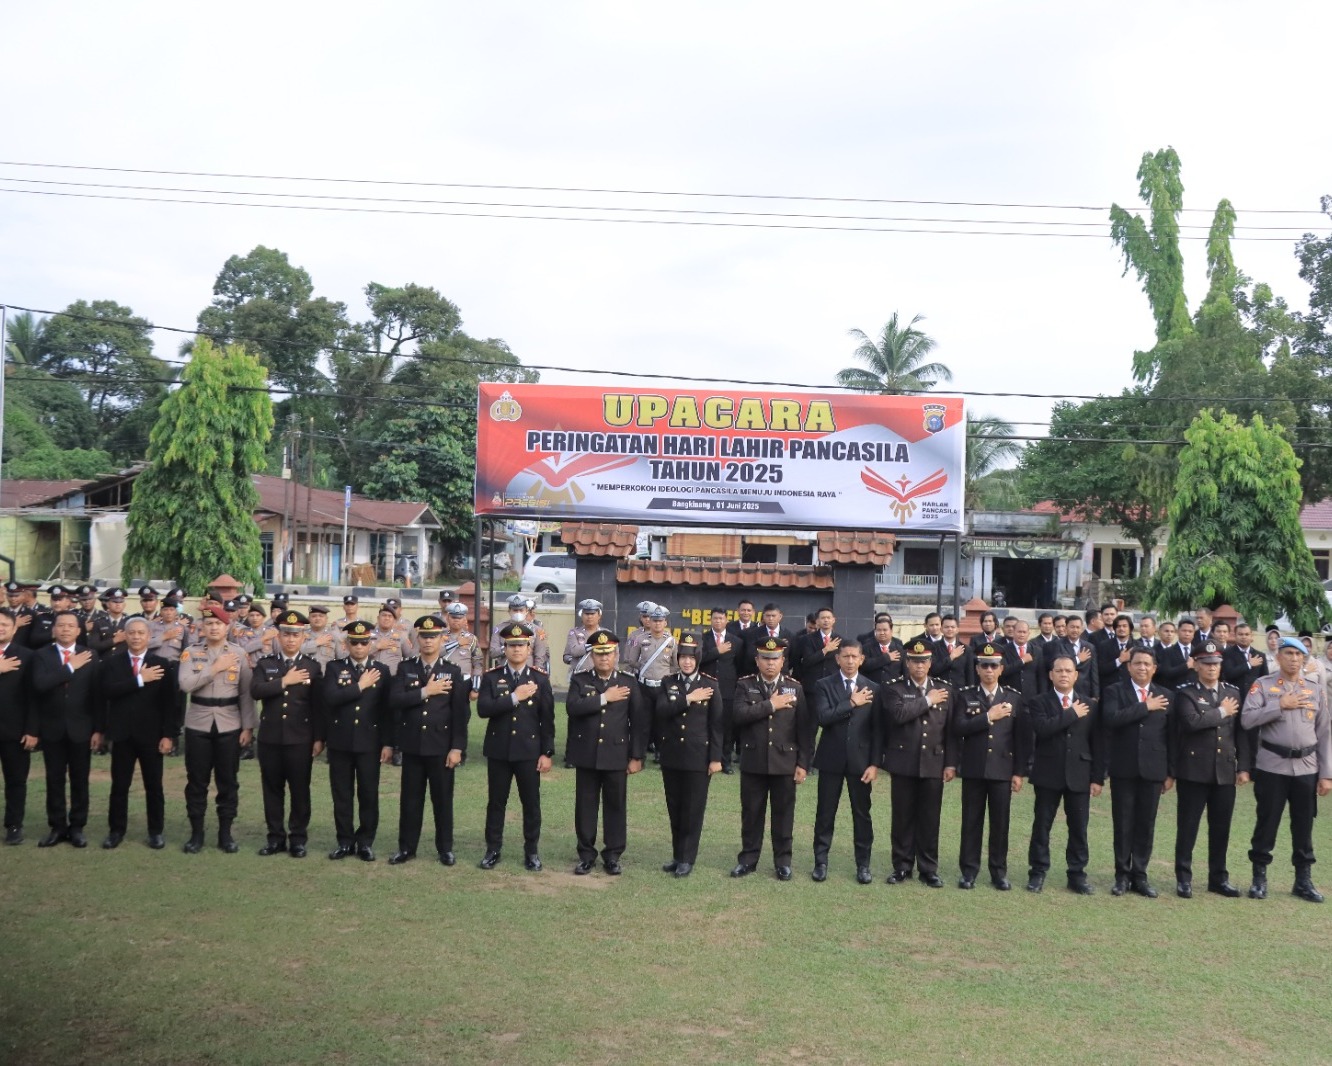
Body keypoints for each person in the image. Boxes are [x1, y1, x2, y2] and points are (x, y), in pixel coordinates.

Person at [1242, 637, 1332, 902]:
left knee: (1304, 825)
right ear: (1279, 657)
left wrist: (1326, 774)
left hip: (1307, 767)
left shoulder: (1315, 689)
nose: (1294, 659)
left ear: (1304, 659)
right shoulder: (1263, 685)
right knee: (1267, 822)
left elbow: (1324, 733)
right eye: (1289, 653)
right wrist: (1279, 705)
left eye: (1298, 654)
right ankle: (1259, 878)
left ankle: (1303, 881)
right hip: (1272, 766)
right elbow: (1247, 719)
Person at [386, 615, 470, 866]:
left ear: (442, 639)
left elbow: (460, 714)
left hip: (440, 746)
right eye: (424, 636)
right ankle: (406, 848)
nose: (428, 641)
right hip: (413, 745)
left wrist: (457, 747)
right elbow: (395, 701)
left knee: (442, 801)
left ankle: (445, 849)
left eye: (433, 636)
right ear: (417, 639)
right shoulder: (406, 668)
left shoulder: (453, 671)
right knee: (410, 801)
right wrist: (425, 691)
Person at [566, 629, 650, 875]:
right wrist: (604, 698)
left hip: (616, 754)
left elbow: (639, 722)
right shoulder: (580, 680)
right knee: (585, 807)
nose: (604, 658)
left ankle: (613, 855)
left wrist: (637, 756)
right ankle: (586, 854)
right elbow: (572, 708)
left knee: (615, 806)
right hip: (587, 754)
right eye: (599, 654)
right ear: (592, 656)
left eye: (608, 653)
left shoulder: (628, 682)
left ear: (616, 655)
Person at [730, 636, 813, 881]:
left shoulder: (794, 688)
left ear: (782, 661)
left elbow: (804, 729)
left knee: (783, 815)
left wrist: (803, 763)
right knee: (751, 814)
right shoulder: (744, 685)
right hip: (754, 760)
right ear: (757, 660)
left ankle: (783, 862)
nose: (770, 663)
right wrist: (771, 705)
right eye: (765, 658)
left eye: (774, 659)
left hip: (784, 762)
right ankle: (748, 859)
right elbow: (738, 716)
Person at [1172, 641, 1250, 898]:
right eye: (1206, 663)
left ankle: (1218, 878)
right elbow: (1192, 722)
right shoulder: (1186, 693)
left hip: (1224, 770)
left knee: (1221, 828)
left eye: (1216, 663)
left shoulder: (1233, 692)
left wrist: (1243, 766)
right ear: (1196, 665)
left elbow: (1241, 732)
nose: (1212, 668)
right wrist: (1221, 711)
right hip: (1193, 770)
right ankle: (1184, 878)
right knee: (1188, 827)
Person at [475, 622, 555, 871]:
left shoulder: (540, 679)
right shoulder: (492, 677)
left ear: (529, 648)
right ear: (505, 649)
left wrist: (547, 752)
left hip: (528, 752)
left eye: (521, 645)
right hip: (499, 750)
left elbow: (547, 720)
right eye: (512, 645)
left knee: (531, 804)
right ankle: (493, 850)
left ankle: (531, 852)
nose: (517, 649)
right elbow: (483, 709)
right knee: (496, 803)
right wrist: (514, 697)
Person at [177, 605, 256, 853]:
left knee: (228, 781)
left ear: (227, 626)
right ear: (202, 626)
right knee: (196, 781)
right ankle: (196, 834)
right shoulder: (191, 653)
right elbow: (185, 684)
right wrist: (214, 669)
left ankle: (225, 834)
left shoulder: (239, 653)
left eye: (218, 624)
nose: (213, 627)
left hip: (229, 723)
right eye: (209, 623)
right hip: (198, 723)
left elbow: (246, 694)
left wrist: (248, 727)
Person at [882, 638, 957, 887]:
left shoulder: (945, 689)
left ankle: (928, 868)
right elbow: (899, 715)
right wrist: (927, 700)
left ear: (930, 663)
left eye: (923, 661)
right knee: (902, 817)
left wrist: (950, 763)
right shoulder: (894, 688)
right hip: (903, 761)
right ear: (907, 663)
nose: (919, 666)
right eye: (914, 661)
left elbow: (951, 731)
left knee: (930, 818)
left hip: (934, 762)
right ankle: (902, 866)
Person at [251, 610, 325, 858]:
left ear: (303, 637)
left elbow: (317, 706)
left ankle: (298, 839)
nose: (291, 639)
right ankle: (275, 838)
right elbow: (256, 690)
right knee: (272, 790)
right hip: (270, 738)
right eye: (286, 634)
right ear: (279, 636)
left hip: (300, 739)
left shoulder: (312, 667)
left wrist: (318, 738)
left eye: (296, 635)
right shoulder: (266, 663)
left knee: (299, 790)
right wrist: (284, 681)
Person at [953, 643, 1027, 890]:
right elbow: (958, 728)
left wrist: (1018, 772)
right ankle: (969, 871)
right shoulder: (965, 695)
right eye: (984, 665)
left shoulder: (1013, 697)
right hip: (974, 768)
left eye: (993, 666)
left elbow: (1020, 738)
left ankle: (998, 872)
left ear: (1001, 669)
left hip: (1002, 769)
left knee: (1000, 823)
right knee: (971, 822)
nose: (989, 670)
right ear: (977, 668)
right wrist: (987, 717)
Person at [1026, 653, 1101, 894]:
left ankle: (1077, 875)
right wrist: (1071, 714)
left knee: (1079, 827)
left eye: (1068, 670)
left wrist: (1097, 777)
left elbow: (1097, 742)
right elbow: (1042, 729)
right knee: (1042, 825)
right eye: (1059, 670)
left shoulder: (1090, 704)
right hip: (1048, 772)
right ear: (1051, 675)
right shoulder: (1039, 702)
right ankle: (1037, 872)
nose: (1064, 675)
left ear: (1076, 675)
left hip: (1080, 773)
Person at [1101, 647, 1173, 897]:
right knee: (1123, 823)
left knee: (1146, 824)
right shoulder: (1114, 691)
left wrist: (1170, 772)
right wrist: (1145, 706)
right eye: (1137, 663)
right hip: (1124, 767)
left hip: (1154, 769)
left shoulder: (1166, 695)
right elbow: (1111, 719)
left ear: (1154, 668)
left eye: (1147, 664)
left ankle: (1140, 875)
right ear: (1129, 666)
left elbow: (1172, 736)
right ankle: (1121, 875)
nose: (1142, 667)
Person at [99, 618, 176, 850]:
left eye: (141, 633)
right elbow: (108, 691)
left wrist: (168, 735)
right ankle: (116, 830)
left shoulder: (161, 663)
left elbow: (170, 703)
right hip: (122, 734)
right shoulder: (113, 662)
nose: (136, 637)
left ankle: (155, 831)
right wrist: (140, 679)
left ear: (149, 636)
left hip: (151, 735)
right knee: (119, 786)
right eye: (131, 632)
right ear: (125, 635)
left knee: (154, 786)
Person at [810, 642, 881, 884]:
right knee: (825, 813)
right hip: (831, 759)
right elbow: (823, 717)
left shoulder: (873, 688)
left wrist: (874, 764)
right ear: (837, 659)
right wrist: (850, 703)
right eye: (845, 656)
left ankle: (863, 865)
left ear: (861, 659)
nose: (850, 661)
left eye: (854, 656)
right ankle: (820, 862)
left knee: (862, 815)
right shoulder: (823, 685)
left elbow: (877, 730)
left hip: (861, 762)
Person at [654, 633, 723, 878]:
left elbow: (716, 724)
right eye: (683, 657)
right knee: (675, 806)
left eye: (691, 658)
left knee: (692, 810)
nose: (686, 662)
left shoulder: (710, 684)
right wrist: (688, 699)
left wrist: (715, 758)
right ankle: (677, 855)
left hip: (698, 756)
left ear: (698, 659)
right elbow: (661, 711)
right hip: (672, 755)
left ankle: (687, 858)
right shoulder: (668, 682)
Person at [30, 611, 101, 848]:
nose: (66, 629)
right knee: (54, 779)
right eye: (61, 625)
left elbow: (96, 695)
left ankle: (77, 826)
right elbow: (40, 685)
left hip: (81, 728)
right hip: (52, 728)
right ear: (53, 629)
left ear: (79, 631)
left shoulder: (90, 655)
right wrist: (70, 667)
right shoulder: (41, 655)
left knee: (80, 779)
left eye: (71, 626)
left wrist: (98, 729)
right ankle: (57, 826)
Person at [322, 620, 392, 861]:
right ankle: (344, 841)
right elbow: (330, 698)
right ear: (346, 644)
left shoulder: (382, 670)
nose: (359, 647)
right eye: (355, 642)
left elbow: (387, 711)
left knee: (368, 794)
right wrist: (360, 685)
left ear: (370, 644)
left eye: (364, 642)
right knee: (342, 794)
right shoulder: (334, 668)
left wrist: (387, 743)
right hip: (340, 741)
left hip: (369, 743)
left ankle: (365, 842)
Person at [0, 610, 35, 845]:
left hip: (15, 730)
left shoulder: (27, 656)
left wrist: (32, 730)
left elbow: (34, 697)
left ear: (14, 628)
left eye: (5, 624)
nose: (0, 627)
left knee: (15, 780)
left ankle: (14, 825)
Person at [700, 607, 740, 773]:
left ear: (726, 620)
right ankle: (706, 757)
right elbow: (698, 659)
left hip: (728, 689)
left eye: (721, 618)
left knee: (726, 726)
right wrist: (717, 651)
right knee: (705, 723)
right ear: (710, 620)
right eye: (715, 618)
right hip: (706, 687)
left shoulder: (736, 641)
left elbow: (739, 666)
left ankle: (726, 760)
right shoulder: (703, 638)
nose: (718, 621)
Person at [794, 607, 843, 703]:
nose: (826, 620)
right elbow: (807, 661)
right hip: (812, 686)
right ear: (817, 621)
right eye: (823, 618)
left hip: (832, 686)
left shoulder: (840, 640)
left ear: (833, 620)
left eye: (828, 618)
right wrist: (825, 650)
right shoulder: (807, 639)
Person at [441, 602, 485, 694]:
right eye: (453, 617)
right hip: (442, 680)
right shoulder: (440, 636)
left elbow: (478, 663)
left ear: (465, 619)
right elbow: (436, 652)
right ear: (448, 618)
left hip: (463, 682)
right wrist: (457, 643)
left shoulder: (471, 638)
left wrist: (476, 688)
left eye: (459, 618)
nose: (456, 620)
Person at [859, 614, 903, 687]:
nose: (882, 633)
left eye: (885, 630)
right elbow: (863, 665)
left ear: (891, 631)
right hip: (871, 688)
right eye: (879, 630)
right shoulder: (866, 647)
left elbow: (905, 672)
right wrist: (885, 658)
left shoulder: (899, 649)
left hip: (893, 689)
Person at [563, 599, 604, 676]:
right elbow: (573, 651)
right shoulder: (574, 633)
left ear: (599, 616)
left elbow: (614, 656)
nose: (589, 616)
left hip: (600, 675)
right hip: (579, 675)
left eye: (592, 613)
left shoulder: (605, 634)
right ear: (581, 615)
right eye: (586, 614)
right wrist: (592, 645)